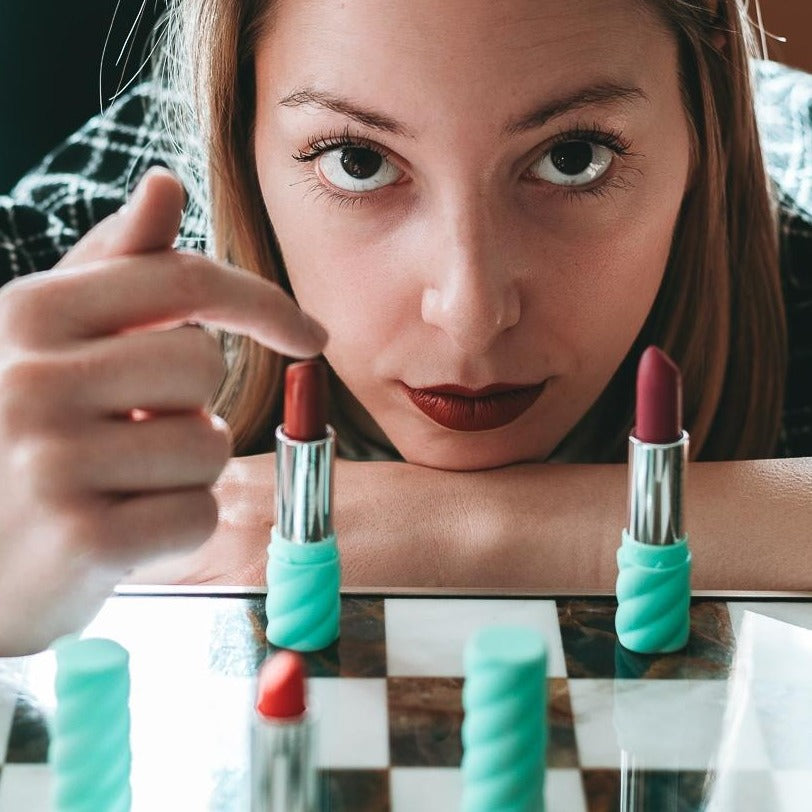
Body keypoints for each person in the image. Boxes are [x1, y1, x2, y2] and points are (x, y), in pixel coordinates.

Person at [0, 0, 810, 656]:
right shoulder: (75, 252)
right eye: (358, 160)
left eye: (573, 157)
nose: (469, 310)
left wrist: (473, 535)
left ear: (703, 107)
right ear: (242, 127)